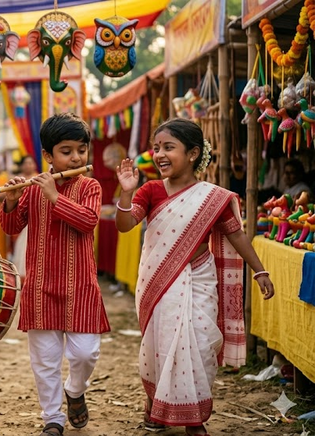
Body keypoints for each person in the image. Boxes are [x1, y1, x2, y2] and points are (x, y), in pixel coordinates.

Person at [114, 118, 275, 436]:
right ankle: (157, 404)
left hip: (200, 280)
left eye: (168, 147)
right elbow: (124, 225)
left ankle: (193, 416)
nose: (159, 154)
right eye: (156, 147)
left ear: (192, 153)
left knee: (199, 344)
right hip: (158, 283)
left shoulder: (212, 198)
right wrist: (126, 193)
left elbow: (236, 235)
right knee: (161, 344)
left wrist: (260, 270)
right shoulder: (150, 191)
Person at [0, 113, 109, 436]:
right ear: (48, 155)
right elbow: (12, 227)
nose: (76, 158)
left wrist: (54, 196)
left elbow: (88, 221)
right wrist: (10, 201)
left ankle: (75, 389)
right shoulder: (33, 188)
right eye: (66, 151)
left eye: (81, 150)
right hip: (40, 286)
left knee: (86, 353)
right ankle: (52, 417)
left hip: (81, 285)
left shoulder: (90, 186)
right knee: (45, 360)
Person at [10, 155, 38, 277]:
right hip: (20, 217)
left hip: (35, 217)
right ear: (21, 166)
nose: (28, 166)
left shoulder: (40, 178)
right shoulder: (16, 180)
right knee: (20, 247)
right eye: (26, 163)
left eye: (30, 163)